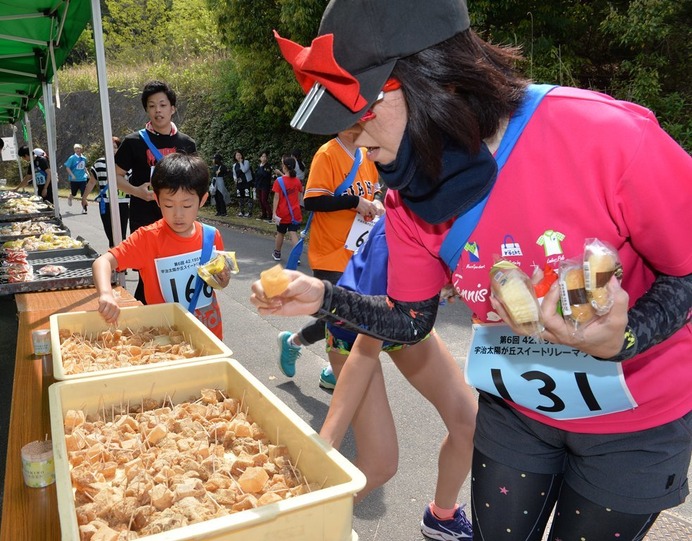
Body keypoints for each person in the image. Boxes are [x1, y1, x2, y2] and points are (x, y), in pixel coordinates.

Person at [257, 1, 692, 540]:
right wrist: (322, 297)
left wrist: (626, 335)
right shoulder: (410, 190)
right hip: (516, 408)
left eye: (363, 114)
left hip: (635, 421)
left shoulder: (608, 137)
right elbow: (411, 320)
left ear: (438, 81)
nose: (360, 142)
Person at [320, 216, 477, 537]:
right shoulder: (403, 227)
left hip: (410, 321)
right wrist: (326, 442)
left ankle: (442, 517)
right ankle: (310, 525)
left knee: (469, 426)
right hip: (356, 329)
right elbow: (370, 335)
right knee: (379, 463)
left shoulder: (481, 207)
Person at [276, 129, 383, 390]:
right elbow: (312, 200)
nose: (357, 125)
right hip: (330, 251)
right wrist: (354, 201)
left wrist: (377, 203)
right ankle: (334, 370)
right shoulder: (327, 153)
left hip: (359, 251)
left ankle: (294, 343)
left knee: (341, 314)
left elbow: (378, 190)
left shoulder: (367, 153)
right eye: (350, 119)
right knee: (343, 313)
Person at [93, 153, 225, 339]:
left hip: (210, 334)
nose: (178, 215)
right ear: (157, 199)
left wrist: (222, 279)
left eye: (187, 206)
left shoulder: (211, 236)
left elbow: (216, 283)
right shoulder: (147, 238)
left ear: (202, 200)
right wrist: (105, 294)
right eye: (169, 205)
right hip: (166, 340)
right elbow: (102, 262)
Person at [114, 80, 196, 304]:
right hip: (144, 216)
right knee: (149, 271)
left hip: (178, 217)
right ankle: (148, 313)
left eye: (162, 104)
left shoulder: (187, 143)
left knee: (178, 266)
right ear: (147, 110)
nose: (157, 110)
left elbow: (194, 181)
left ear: (173, 108)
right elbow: (116, 177)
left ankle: (178, 311)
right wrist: (137, 191)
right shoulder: (133, 142)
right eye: (152, 106)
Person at [82, 137, 129, 248]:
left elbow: (133, 183)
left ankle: (120, 260)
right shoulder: (99, 163)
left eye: (115, 147)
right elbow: (92, 182)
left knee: (121, 234)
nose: (112, 149)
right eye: (109, 146)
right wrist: (84, 197)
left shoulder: (127, 163)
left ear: (119, 148)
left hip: (123, 203)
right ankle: (116, 256)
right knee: (109, 232)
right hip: (105, 203)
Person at [271, 155, 303, 261]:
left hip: (282, 212)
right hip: (294, 212)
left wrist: (274, 213)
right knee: (293, 233)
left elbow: (276, 198)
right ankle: (296, 256)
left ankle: (277, 253)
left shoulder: (279, 181)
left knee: (280, 233)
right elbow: (299, 197)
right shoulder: (297, 181)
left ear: (284, 167)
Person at [64, 143, 89, 213]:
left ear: (81, 149)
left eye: (79, 148)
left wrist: (87, 173)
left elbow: (84, 167)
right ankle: (70, 197)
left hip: (83, 179)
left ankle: (84, 208)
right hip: (74, 179)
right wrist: (72, 175)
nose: (77, 150)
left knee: (84, 195)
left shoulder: (84, 158)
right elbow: (67, 167)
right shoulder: (72, 158)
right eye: (76, 149)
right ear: (74, 150)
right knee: (74, 193)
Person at [232, 150, 254, 217]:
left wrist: (241, 163)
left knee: (249, 197)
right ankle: (242, 211)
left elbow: (244, 170)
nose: (238, 156)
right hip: (239, 183)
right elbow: (234, 174)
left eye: (239, 155)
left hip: (248, 182)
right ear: (235, 157)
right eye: (237, 155)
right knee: (240, 197)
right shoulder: (234, 165)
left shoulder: (246, 162)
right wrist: (235, 179)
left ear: (242, 155)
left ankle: (249, 212)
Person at [254, 151, 274, 221]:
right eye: (262, 156)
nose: (264, 158)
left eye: (265, 156)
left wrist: (262, 167)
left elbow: (265, 174)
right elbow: (256, 176)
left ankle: (270, 214)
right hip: (259, 185)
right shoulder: (258, 166)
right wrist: (255, 185)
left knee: (264, 200)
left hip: (265, 185)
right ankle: (264, 214)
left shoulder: (268, 166)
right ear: (260, 158)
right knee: (260, 200)